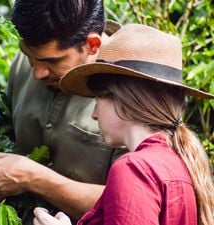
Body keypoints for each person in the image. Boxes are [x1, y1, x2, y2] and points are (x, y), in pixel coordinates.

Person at [0, 0, 127, 223]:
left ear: (92, 45)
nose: (37, 72)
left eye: (52, 61)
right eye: (30, 56)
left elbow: (129, 203)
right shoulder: (25, 64)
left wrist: (34, 178)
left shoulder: (132, 91)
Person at [33, 23, 214, 225]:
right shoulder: (179, 160)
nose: (94, 114)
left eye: (97, 99)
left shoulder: (134, 169)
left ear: (122, 100)